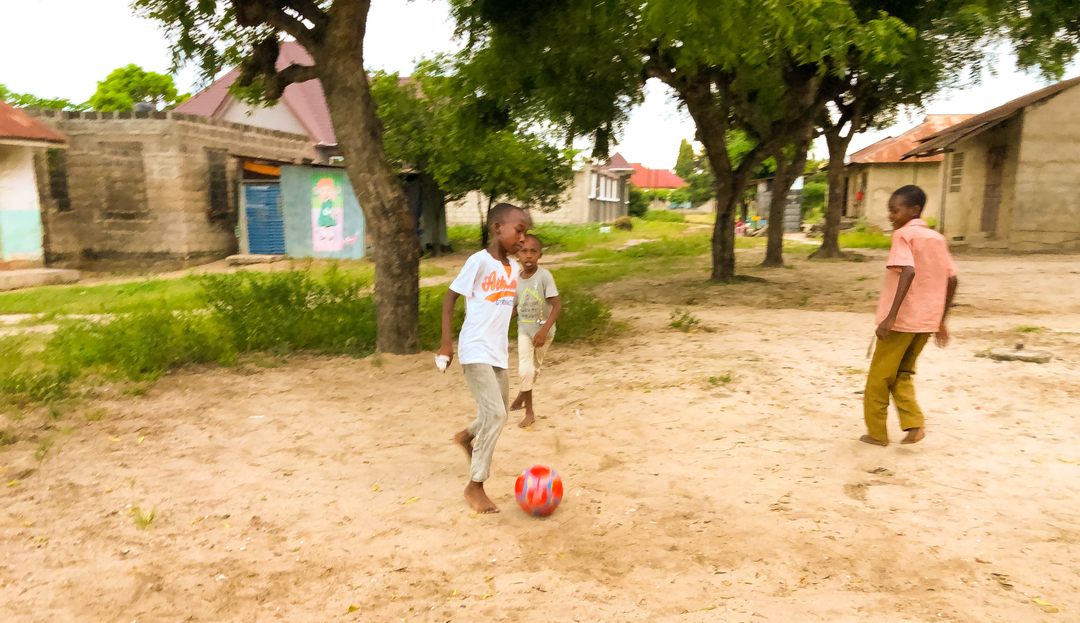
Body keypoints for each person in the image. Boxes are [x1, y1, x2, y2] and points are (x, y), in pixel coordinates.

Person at [438, 203, 530, 513]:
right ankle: (475, 485)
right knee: (497, 416)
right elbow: (450, 298)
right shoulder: (478, 261)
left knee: (497, 412)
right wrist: (446, 343)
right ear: (497, 228)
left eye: (526, 233)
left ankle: (466, 437)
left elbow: (503, 304)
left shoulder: (513, 268)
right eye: (519, 231)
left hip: (497, 353)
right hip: (475, 349)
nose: (522, 239)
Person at [862, 185, 958, 447]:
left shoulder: (904, 235)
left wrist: (890, 318)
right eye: (890, 211)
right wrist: (941, 320)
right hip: (926, 322)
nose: (891, 216)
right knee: (903, 373)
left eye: (895, 210)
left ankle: (877, 434)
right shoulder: (937, 238)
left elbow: (908, 270)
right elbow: (952, 279)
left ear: (914, 210)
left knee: (879, 378)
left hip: (902, 322)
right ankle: (914, 425)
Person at [510, 234, 562, 428]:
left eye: (533, 251)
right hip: (524, 330)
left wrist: (543, 331)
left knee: (535, 369)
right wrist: (499, 320)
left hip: (545, 332)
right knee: (525, 369)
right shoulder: (516, 280)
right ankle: (529, 412)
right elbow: (517, 307)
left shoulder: (544, 276)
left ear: (540, 255)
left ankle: (522, 394)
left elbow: (556, 305)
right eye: (524, 251)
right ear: (518, 255)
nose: (528, 255)